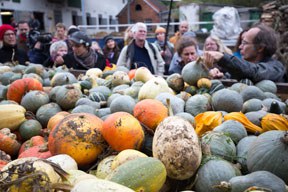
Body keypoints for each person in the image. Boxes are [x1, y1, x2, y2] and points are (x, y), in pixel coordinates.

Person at [204, 24, 286, 83]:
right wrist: (221, 76)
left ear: (260, 48)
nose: (240, 47)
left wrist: (223, 57)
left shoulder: (275, 68)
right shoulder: (243, 69)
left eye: (245, 43)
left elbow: (254, 72)